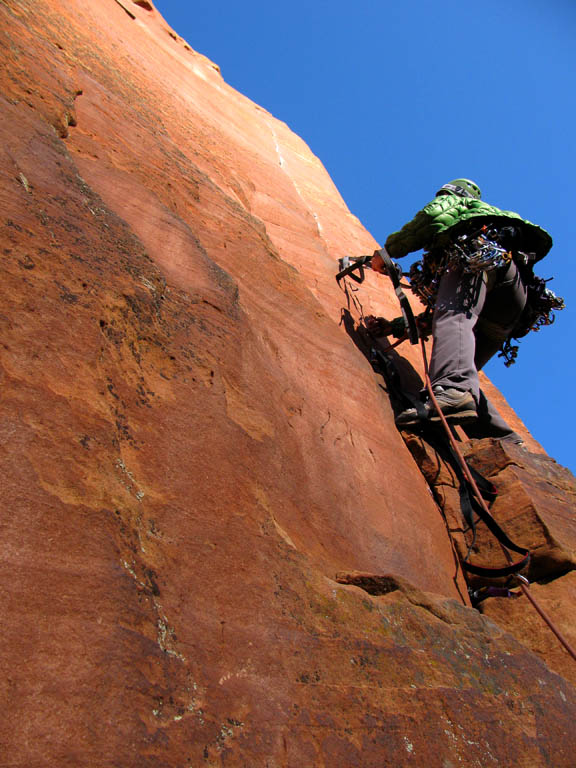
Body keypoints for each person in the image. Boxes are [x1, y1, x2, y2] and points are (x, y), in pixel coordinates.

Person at [369, 178, 553, 442]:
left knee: (452, 369)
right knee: (458, 364)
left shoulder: (459, 203)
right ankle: (505, 440)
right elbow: (438, 320)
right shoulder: (490, 226)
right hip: (507, 304)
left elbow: (432, 218)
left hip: (480, 259)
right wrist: (392, 327)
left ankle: (453, 392)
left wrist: (387, 252)